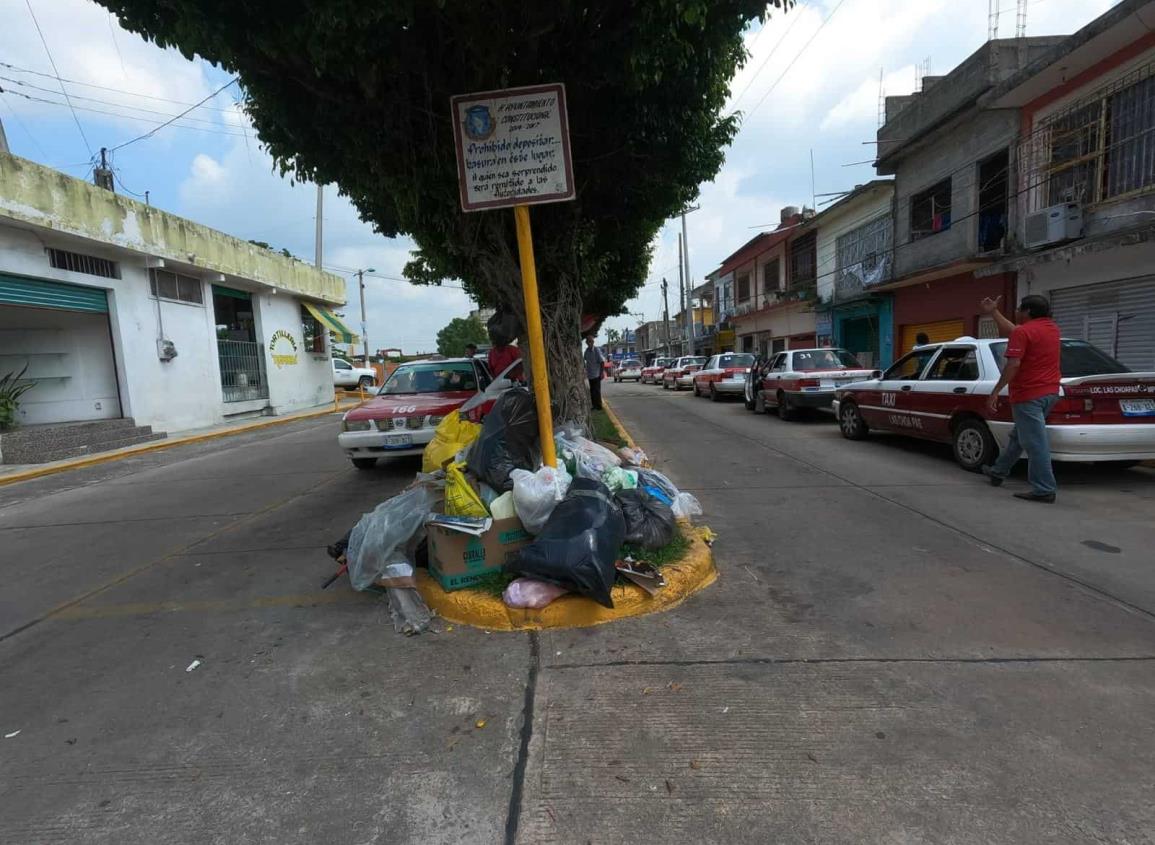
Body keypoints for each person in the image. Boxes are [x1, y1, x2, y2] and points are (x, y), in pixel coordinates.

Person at [979, 294, 1062, 503]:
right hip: (1050, 393)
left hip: (1028, 395)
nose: (1016, 312)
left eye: (1018, 309)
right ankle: (998, 471)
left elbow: (1013, 364)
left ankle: (1044, 489)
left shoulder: (1024, 332)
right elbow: (1016, 331)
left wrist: (996, 390)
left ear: (1028, 312)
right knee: (1019, 436)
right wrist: (994, 312)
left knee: (1035, 443)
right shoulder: (1052, 328)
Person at [584, 335, 606, 411]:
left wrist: (601, 372)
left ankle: (599, 406)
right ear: (586, 342)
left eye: (591, 341)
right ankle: (594, 406)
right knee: (592, 391)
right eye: (588, 341)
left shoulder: (596, 350)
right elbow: (585, 360)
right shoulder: (586, 351)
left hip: (596, 374)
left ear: (593, 342)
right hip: (590, 374)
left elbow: (602, 362)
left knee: (597, 391)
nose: (589, 343)